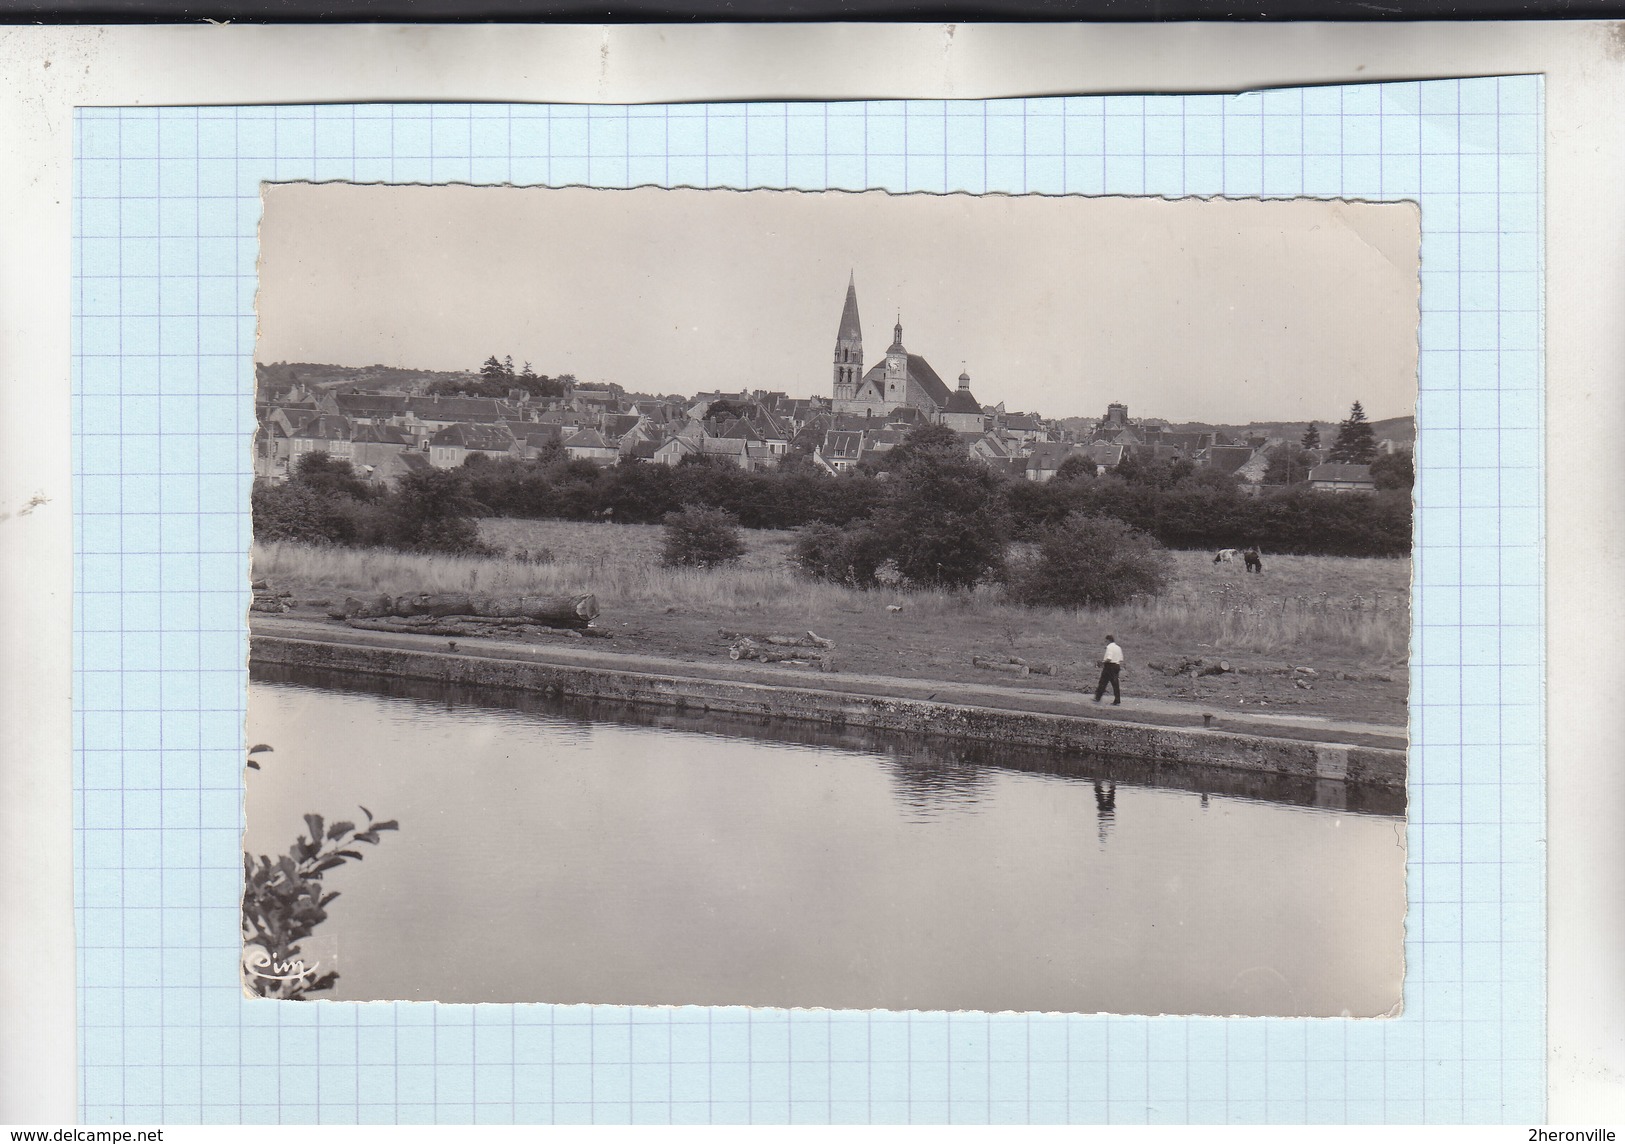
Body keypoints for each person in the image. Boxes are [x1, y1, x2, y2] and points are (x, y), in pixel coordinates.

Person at [1093, 634, 1123, 705]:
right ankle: (1117, 700)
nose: (1105, 642)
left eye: (1106, 641)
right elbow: (1121, 659)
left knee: (1103, 682)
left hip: (1109, 666)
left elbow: (1109, 658)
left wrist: (1102, 662)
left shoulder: (1109, 647)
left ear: (1108, 640)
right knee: (1115, 684)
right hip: (1117, 665)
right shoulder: (1118, 647)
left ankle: (1097, 697)